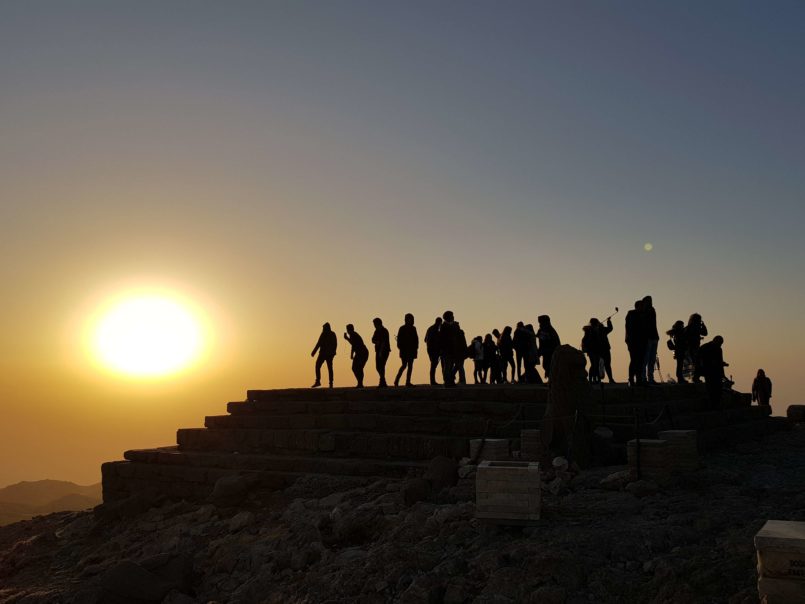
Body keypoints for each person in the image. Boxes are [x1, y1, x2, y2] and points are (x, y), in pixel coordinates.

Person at [699, 335, 727, 407]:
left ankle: (716, 404)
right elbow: (700, 359)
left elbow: (719, 361)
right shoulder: (705, 347)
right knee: (711, 389)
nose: (720, 345)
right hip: (709, 372)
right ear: (715, 341)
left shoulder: (719, 349)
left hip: (716, 372)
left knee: (718, 389)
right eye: (720, 343)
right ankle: (713, 405)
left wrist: (722, 373)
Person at [393, 313, 419, 387]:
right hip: (404, 351)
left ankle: (407, 382)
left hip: (411, 350)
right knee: (404, 365)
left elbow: (416, 339)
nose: (412, 320)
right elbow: (399, 341)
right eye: (411, 319)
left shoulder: (413, 328)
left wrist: (416, 348)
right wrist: (401, 348)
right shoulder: (402, 328)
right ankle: (396, 381)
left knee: (410, 366)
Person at [625, 300, 646, 386]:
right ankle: (631, 379)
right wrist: (630, 340)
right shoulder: (631, 314)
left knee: (640, 361)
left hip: (642, 341)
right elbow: (629, 329)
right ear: (638, 306)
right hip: (633, 341)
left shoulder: (643, 315)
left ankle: (639, 379)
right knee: (634, 360)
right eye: (642, 306)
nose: (643, 308)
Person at [311, 323, 337, 388]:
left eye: (324, 328)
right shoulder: (329, 334)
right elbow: (319, 343)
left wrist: (313, 352)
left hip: (326, 354)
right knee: (324, 367)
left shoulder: (329, 334)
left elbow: (319, 343)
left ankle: (328, 383)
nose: (323, 329)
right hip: (325, 353)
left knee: (326, 367)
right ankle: (320, 382)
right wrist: (314, 352)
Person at [685, 313, 708, 383]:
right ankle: (695, 378)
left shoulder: (691, 327)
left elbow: (704, 333)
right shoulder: (691, 327)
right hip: (692, 348)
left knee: (696, 364)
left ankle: (695, 378)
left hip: (695, 348)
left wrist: (702, 325)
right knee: (696, 364)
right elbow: (705, 333)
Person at [439, 311, 459, 387]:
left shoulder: (453, 325)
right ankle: (447, 382)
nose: (453, 317)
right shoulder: (444, 326)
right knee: (447, 366)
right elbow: (442, 339)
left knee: (453, 365)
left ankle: (450, 380)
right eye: (452, 316)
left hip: (453, 349)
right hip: (446, 350)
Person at [642, 296, 660, 383]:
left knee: (652, 359)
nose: (651, 302)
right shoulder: (644, 311)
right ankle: (644, 378)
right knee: (646, 359)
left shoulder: (652, 310)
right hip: (648, 338)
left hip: (654, 336)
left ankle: (650, 378)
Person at [593, 317, 615, 383]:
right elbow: (610, 328)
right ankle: (610, 379)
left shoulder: (593, 330)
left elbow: (610, 328)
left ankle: (607, 379)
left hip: (600, 350)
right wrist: (608, 321)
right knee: (606, 365)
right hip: (603, 350)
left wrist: (608, 321)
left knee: (598, 365)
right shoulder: (601, 329)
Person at [371, 317, 391, 387]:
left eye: (374, 324)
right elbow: (372, 340)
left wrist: (381, 352)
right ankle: (383, 380)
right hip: (378, 351)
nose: (374, 325)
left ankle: (382, 382)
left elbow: (384, 342)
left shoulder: (384, 331)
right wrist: (376, 342)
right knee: (378, 367)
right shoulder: (376, 331)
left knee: (381, 366)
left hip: (384, 351)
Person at [424, 317, 443, 386]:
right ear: (439, 322)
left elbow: (425, 339)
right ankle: (432, 381)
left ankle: (432, 380)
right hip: (434, 350)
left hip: (430, 349)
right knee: (433, 365)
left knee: (433, 365)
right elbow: (437, 340)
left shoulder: (430, 328)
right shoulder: (436, 329)